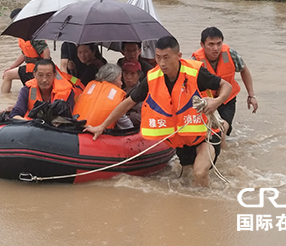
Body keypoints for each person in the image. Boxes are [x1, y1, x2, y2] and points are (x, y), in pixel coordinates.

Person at [85, 36, 232, 187]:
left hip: (206, 133)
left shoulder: (195, 72)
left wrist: (217, 101)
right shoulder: (152, 78)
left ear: (178, 56)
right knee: (187, 178)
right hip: (182, 139)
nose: (162, 63)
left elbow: (226, 85)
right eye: (158, 57)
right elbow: (128, 103)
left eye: (167, 58)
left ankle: (208, 206)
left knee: (199, 172)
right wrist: (102, 126)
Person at [191, 27, 258, 143]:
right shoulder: (195, 62)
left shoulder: (231, 54)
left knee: (220, 132)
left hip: (227, 100)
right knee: (206, 135)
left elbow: (244, 70)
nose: (215, 48)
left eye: (219, 43)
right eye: (211, 44)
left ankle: (226, 157)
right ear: (202, 44)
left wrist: (251, 96)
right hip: (207, 102)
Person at [1, 9, 51, 94]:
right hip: (29, 68)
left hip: (39, 69)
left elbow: (46, 50)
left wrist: (46, 69)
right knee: (7, 75)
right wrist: (11, 67)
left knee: (33, 94)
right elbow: (24, 54)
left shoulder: (33, 34)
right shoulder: (23, 35)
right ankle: (4, 99)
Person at [9, 59, 75, 120]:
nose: (44, 80)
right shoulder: (27, 90)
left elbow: (68, 118)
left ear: (54, 75)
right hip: (31, 126)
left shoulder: (67, 91)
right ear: (34, 74)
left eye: (48, 75)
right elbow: (15, 114)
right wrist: (28, 123)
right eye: (40, 75)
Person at [73, 64, 133, 130]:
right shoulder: (115, 99)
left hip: (76, 129)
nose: (121, 83)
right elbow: (127, 127)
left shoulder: (88, 91)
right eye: (120, 79)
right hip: (96, 135)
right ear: (112, 80)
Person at [121, 60, 143, 128]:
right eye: (126, 73)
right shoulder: (121, 90)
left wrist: (129, 116)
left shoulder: (141, 92)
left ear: (139, 75)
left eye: (132, 74)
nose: (128, 77)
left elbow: (142, 116)